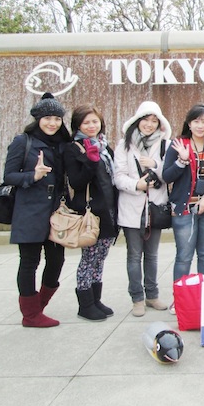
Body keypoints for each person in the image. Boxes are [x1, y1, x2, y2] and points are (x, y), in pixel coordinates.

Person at [5, 92, 70, 328]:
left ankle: (36, 307)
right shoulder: (23, 141)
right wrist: (33, 175)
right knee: (29, 262)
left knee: (56, 261)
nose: (52, 122)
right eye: (47, 117)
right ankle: (31, 315)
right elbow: (8, 176)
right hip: (29, 210)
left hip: (55, 212)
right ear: (38, 118)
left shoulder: (63, 144)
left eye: (57, 118)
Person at [114, 101, 172, 317]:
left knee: (152, 255)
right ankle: (137, 298)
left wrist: (155, 166)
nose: (149, 124)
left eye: (154, 120)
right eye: (145, 120)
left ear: (159, 123)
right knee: (134, 255)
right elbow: (118, 176)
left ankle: (152, 295)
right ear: (137, 121)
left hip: (155, 208)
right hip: (131, 207)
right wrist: (136, 185)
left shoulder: (165, 144)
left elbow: (170, 173)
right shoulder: (124, 145)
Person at [163, 104, 204, 313]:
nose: (200, 125)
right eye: (196, 121)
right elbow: (166, 176)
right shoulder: (178, 144)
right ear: (189, 123)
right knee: (184, 256)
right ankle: (180, 299)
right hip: (183, 209)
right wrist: (182, 161)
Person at [65, 104, 118, 322]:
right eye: (86, 122)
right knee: (88, 259)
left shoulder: (105, 147)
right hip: (90, 212)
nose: (91, 126)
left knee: (100, 258)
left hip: (108, 211)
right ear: (78, 125)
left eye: (94, 121)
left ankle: (96, 300)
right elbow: (76, 182)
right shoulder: (73, 148)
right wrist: (89, 160)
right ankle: (85, 304)